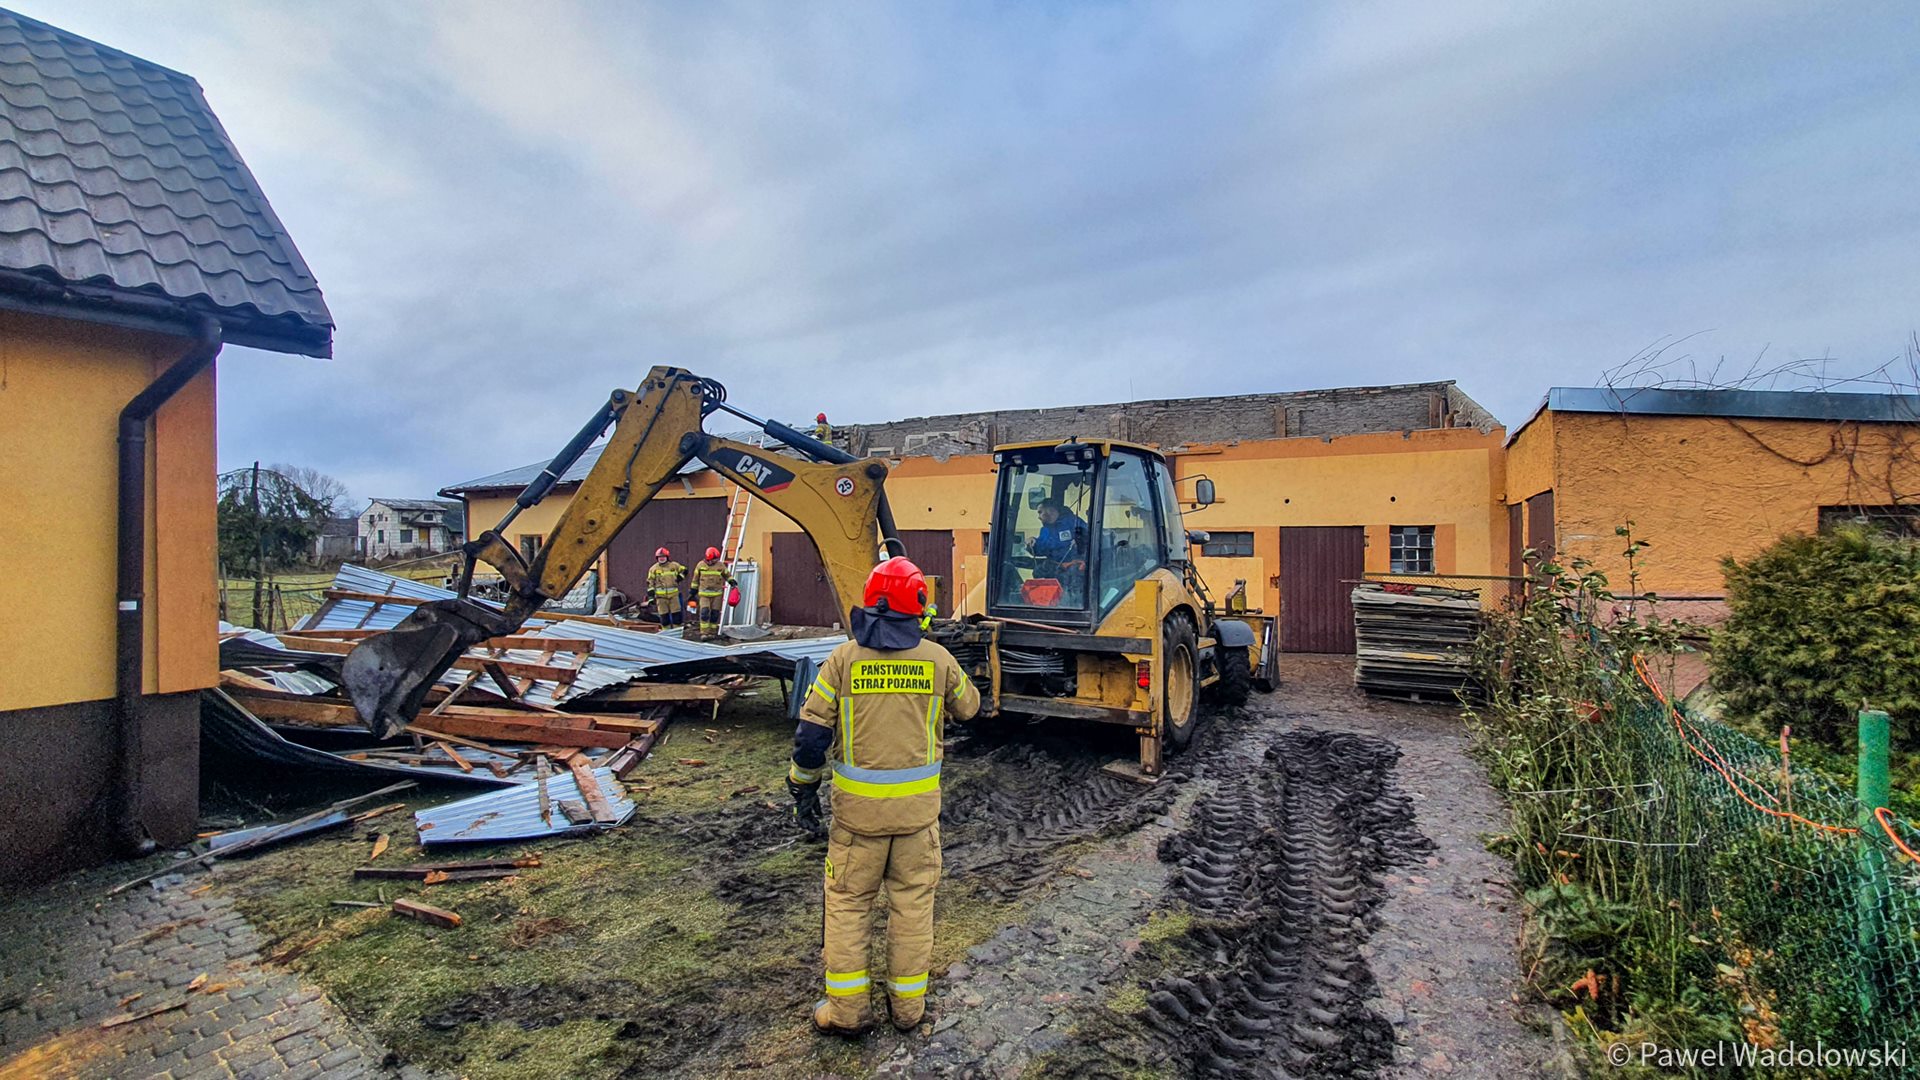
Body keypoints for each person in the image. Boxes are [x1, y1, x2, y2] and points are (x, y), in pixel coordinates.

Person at [787, 557, 980, 1036]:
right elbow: (971, 708)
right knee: (913, 907)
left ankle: (847, 1015)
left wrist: (803, 787)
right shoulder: (938, 660)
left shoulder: (842, 661)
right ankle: (909, 1012)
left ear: (871, 603)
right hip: (917, 820)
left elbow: (811, 737)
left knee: (849, 906)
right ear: (916, 607)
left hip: (856, 822)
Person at [692, 546, 735, 639]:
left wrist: (732, 581)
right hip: (704, 594)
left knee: (715, 614)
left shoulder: (720, 565)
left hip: (717, 595)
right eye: (714, 559)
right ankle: (704, 633)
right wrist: (693, 590)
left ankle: (712, 633)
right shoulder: (700, 565)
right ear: (709, 558)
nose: (716, 560)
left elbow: (727, 575)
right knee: (704, 612)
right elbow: (695, 579)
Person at [646, 547, 686, 626]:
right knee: (664, 618)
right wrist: (651, 597)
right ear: (657, 558)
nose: (661, 559)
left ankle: (677, 632)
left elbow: (685, 570)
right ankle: (667, 634)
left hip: (674, 596)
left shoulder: (674, 566)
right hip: (660, 598)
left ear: (667, 557)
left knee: (677, 616)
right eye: (660, 557)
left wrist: (680, 577)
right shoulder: (653, 569)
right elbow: (650, 583)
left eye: (663, 557)